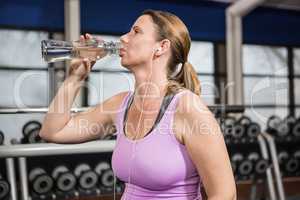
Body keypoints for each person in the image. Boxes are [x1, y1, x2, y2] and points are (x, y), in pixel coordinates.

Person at [40, 9, 236, 200]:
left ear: (161, 47)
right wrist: (76, 77)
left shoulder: (187, 107)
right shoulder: (120, 103)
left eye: (136, 31)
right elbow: (53, 131)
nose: (123, 38)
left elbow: (226, 194)